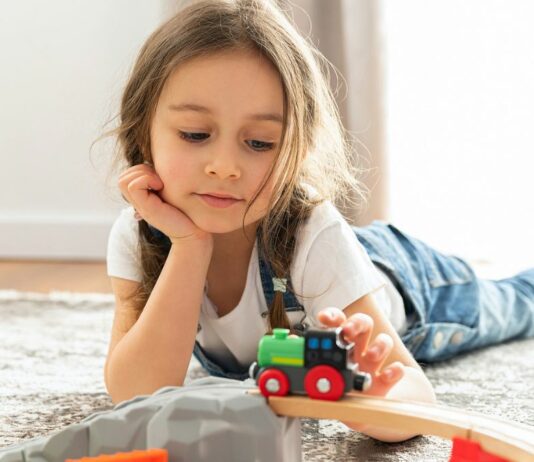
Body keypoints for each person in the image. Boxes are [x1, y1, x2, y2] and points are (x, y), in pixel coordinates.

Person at [103, 0, 534, 443]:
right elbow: (136, 393)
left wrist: (370, 401)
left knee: (517, 303)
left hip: (412, 284)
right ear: (142, 131)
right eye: (195, 134)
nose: (225, 166)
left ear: (297, 149)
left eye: (259, 142)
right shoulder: (139, 234)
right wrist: (190, 244)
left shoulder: (313, 234)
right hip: (336, 261)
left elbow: (415, 393)